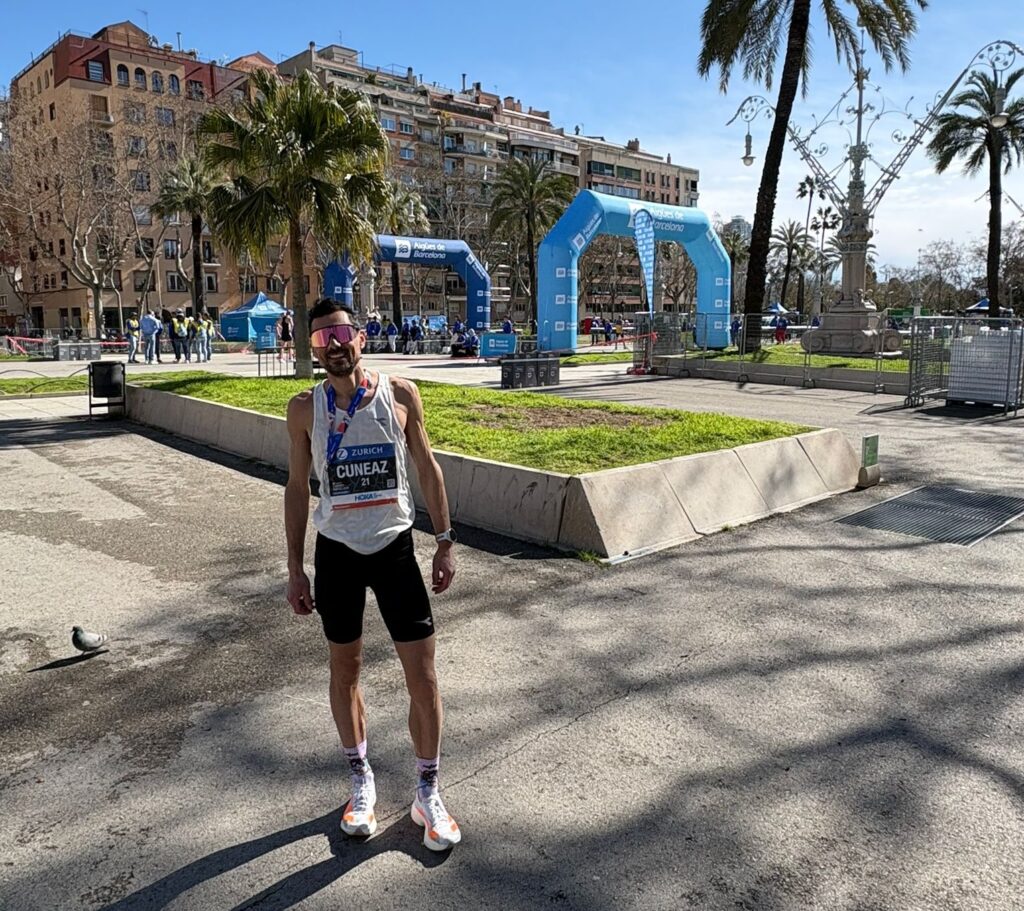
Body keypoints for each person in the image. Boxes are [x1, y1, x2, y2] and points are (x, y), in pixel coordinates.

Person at [284, 297, 461, 852]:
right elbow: (296, 488)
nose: (333, 348)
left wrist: (445, 539)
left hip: (394, 550)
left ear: (360, 337)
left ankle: (427, 791)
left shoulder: (401, 394)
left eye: (340, 336)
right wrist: (294, 566)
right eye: (320, 341)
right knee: (345, 670)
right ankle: (360, 781)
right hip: (336, 552)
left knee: (423, 675)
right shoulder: (302, 409)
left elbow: (427, 468)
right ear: (311, 350)